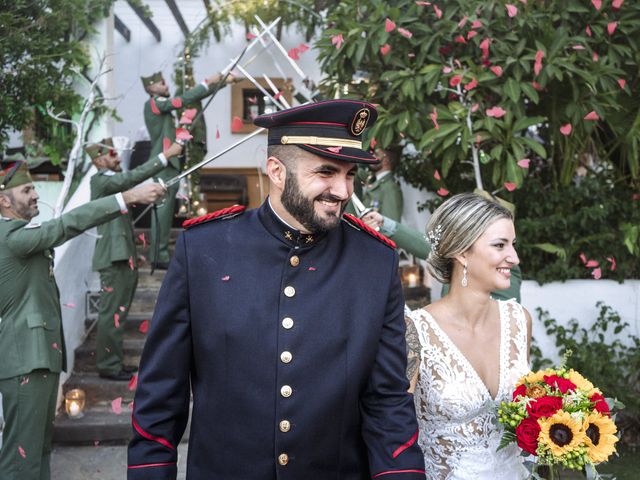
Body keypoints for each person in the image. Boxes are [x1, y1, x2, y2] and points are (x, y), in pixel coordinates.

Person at [127, 100, 425, 479]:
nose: (343, 190)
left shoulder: (375, 261)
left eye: (350, 174)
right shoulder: (204, 249)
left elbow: (387, 402)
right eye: (326, 172)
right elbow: (159, 397)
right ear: (277, 171)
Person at [0, 160, 166, 480]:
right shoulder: (11, 236)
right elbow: (64, 226)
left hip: (36, 357)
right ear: (4, 201)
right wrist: (126, 197)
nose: (35, 194)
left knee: (38, 449)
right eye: (26, 189)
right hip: (25, 358)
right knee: (21, 456)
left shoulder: (18, 234)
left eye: (34, 187)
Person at [405, 193, 532, 479]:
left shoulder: (519, 322)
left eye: (513, 245)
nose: (514, 257)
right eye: (500, 245)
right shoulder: (414, 331)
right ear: (462, 252)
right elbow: (394, 427)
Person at [87, 138, 183, 381]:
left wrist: (133, 252)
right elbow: (131, 179)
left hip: (121, 256)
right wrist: (165, 155)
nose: (118, 158)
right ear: (99, 160)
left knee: (119, 312)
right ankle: (109, 366)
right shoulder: (101, 180)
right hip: (112, 258)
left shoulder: (110, 183)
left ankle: (114, 362)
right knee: (112, 314)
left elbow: (118, 225)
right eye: (112, 155)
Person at [141, 70, 235, 269]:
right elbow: (182, 101)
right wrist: (207, 81)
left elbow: (188, 101)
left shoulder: (159, 105)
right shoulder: (154, 104)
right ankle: (158, 255)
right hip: (163, 164)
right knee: (163, 211)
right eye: (161, 83)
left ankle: (160, 253)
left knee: (165, 212)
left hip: (169, 164)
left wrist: (220, 83)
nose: (166, 85)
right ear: (150, 88)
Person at [361, 209, 522, 302]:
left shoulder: (505, 268)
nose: (513, 257)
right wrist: (384, 224)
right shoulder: (458, 255)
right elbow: (429, 246)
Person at [347, 146, 404, 222]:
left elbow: (390, 225)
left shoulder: (390, 188)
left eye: (376, 154)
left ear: (387, 160)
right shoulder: (372, 180)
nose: (372, 156)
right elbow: (357, 172)